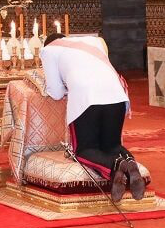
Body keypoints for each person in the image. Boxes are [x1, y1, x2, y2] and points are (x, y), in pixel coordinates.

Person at [40, 33, 146, 202]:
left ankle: (117, 166)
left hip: (87, 99)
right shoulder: (94, 41)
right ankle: (131, 164)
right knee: (112, 146)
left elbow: (56, 92)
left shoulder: (49, 50)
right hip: (116, 95)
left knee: (84, 150)